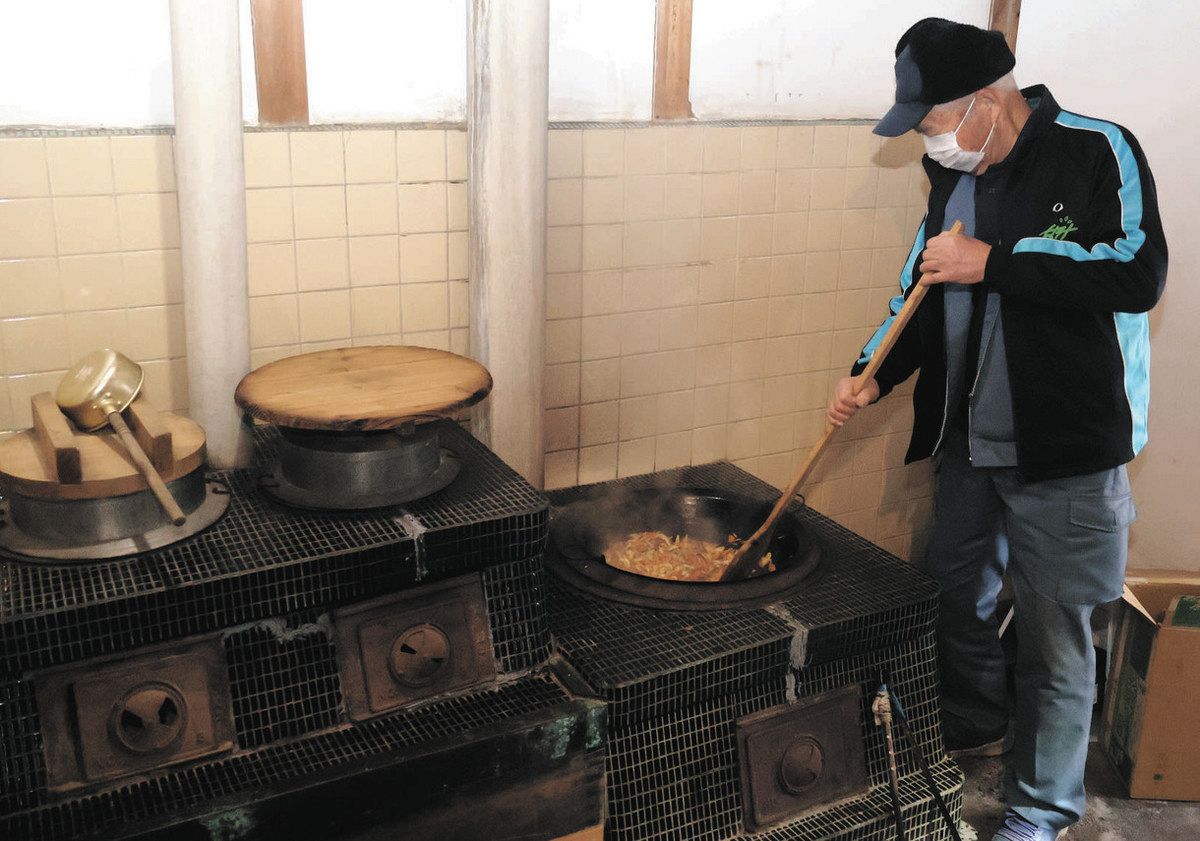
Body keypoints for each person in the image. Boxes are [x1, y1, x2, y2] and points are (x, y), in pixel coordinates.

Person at [826, 17, 1167, 841]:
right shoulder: (954, 178)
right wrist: (870, 371)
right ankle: (976, 721)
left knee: (1057, 641)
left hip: (1066, 450)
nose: (930, 142)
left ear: (985, 100)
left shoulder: (1096, 149)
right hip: (970, 442)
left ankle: (1039, 809)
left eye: (934, 121)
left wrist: (998, 260)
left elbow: (1138, 270)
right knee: (955, 592)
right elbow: (921, 282)